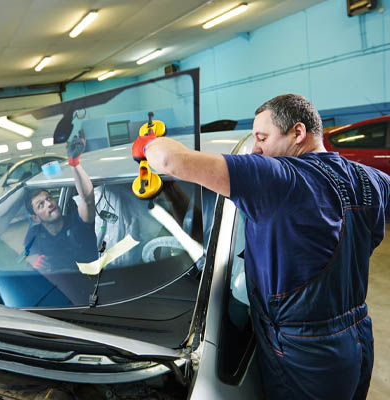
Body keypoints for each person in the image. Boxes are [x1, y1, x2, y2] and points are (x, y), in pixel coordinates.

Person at [133, 94, 390, 399]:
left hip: (303, 354)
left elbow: (168, 161)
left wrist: (149, 143)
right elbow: (361, 238)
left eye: (262, 137)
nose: (256, 148)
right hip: (357, 337)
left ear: (298, 133)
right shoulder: (373, 179)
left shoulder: (279, 178)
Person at [24, 131, 97, 272]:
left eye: (49, 198)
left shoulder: (77, 221)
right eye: (41, 205)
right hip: (61, 288)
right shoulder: (34, 234)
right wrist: (31, 260)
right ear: (35, 217)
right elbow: (28, 258)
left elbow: (87, 200)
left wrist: (74, 163)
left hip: (93, 282)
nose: (49, 203)